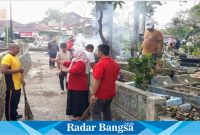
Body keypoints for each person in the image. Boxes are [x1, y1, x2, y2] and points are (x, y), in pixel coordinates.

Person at [55, 50, 89, 120]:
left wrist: (62, 70)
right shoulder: (75, 61)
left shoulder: (81, 62)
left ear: (79, 54)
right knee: (74, 101)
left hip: (79, 86)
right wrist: (56, 61)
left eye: (76, 53)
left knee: (78, 102)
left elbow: (74, 70)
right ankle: (76, 114)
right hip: (74, 85)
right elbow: (67, 63)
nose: (74, 54)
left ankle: (79, 116)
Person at [90, 44, 120, 121]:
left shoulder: (99, 64)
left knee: (96, 112)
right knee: (107, 111)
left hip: (100, 95)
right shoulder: (115, 64)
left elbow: (96, 81)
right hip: (110, 93)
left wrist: (93, 94)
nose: (96, 52)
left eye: (97, 50)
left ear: (100, 52)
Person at [1, 43, 25, 121]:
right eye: (18, 48)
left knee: (15, 103)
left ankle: (14, 114)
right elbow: (3, 70)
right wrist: (18, 70)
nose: (19, 50)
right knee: (10, 104)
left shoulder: (15, 57)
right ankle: (10, 119)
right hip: (12, 86)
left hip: (17, 85)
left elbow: (18, 69)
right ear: (13, 48)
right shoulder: (7, 57)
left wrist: (22, 79)